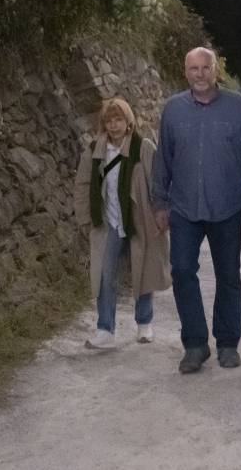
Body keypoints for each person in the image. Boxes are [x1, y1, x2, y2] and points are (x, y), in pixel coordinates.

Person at [151, 47, 241, 374]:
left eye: (205, 68)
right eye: (194, 68)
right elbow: (163, 159)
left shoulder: (237, 107)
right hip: (183, 208)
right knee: (182, 271)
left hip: (226, 208)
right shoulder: (173, 110)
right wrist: (159, 203)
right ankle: (195, 344)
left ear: (214, 70)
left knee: (228, 275)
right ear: (185, 72)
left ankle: (227, 342)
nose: (200, 74)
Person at [73, 96, 171, 350]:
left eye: (118, 119)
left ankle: (144, 323)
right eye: (109, 120)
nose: (114, 125)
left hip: (140, 219)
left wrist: (162, 212)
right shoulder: (95, 150)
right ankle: (105, 328)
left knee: (143, 269)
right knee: (105, 275)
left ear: (128, 121)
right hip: (108, 222)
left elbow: (159, 182)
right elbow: (83, 184)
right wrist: (85, 218)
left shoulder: (143, 147)